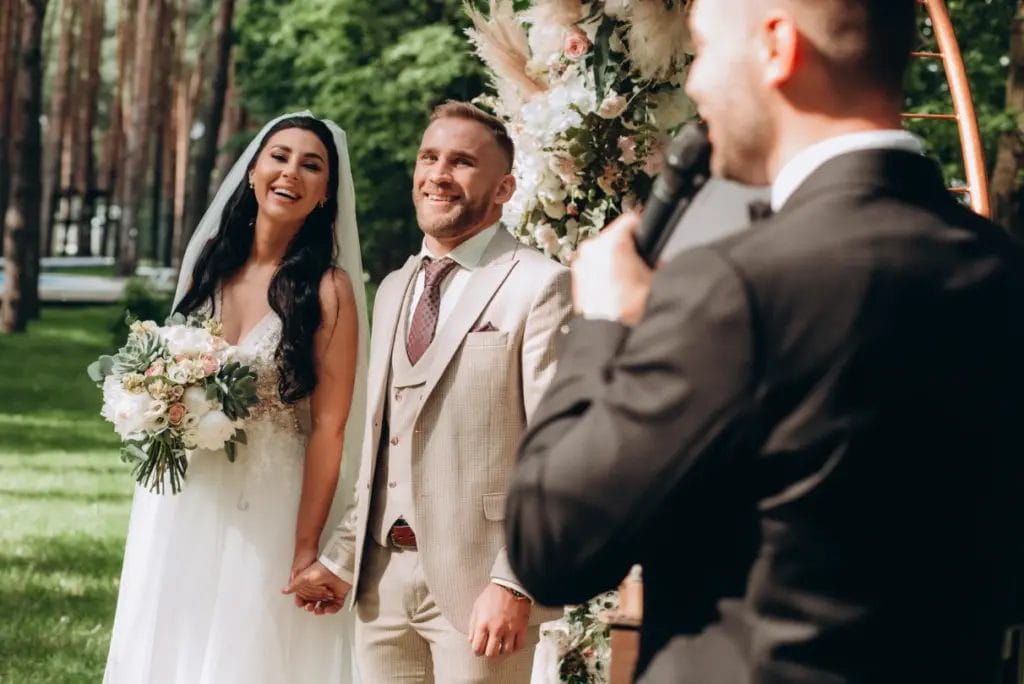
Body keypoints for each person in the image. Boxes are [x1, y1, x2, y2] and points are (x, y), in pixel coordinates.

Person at [504, 0, 1024, 682]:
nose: (693, 83)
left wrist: (602, 321)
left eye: (706, 48)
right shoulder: (1003, 272)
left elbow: (551, 543)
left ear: (777, 47)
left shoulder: (738, 286)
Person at [284, 101, 571, 683]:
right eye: (429, 157)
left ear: (503, 188)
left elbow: (559, 451)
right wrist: (342, 558)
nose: (438, 174)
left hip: (480, 587)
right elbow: (381, 447)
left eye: (462, 162)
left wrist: (514, 582)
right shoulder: (392, 289)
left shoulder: (539, 284)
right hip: (381, 585)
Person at [104, 113, 369, 683]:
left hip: (269, 500)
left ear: (325, 194)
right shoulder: (210, 267)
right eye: (280, 156)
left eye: (311, 165)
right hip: (186, 491)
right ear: (253, 170)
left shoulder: (329, 290)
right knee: (174, 634)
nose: (291, 172)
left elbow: (330, 426)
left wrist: (305, 548)